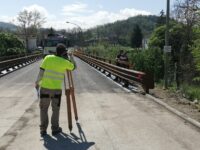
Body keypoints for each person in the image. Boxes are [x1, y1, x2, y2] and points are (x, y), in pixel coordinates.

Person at [35, 43, 76, 137]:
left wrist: (37, 83)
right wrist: (71, 57)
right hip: (57, 90)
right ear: (63, 53)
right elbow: (74, 67)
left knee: (43, 109)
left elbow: (41, 73)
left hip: (45, 89)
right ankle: (55, 129)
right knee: (55, 110)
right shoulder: (65, 62)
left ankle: (43, 130)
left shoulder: (47, 58)